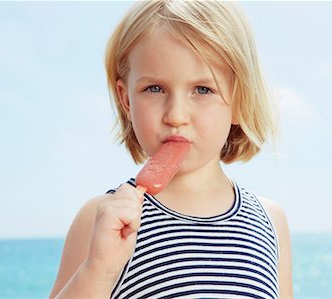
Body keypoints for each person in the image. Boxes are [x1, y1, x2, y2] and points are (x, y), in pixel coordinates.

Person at [49, 0, 293, 298]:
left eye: (203, 89)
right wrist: (98, 270)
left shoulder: (269, 221)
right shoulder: (102, 219)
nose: (176, 115)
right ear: (126, 101)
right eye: (155, 89)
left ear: (240, 101)